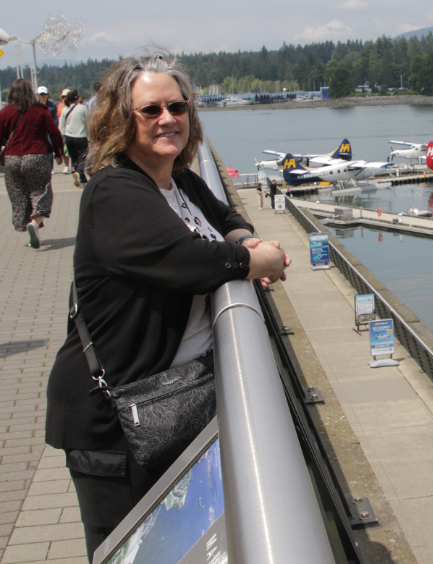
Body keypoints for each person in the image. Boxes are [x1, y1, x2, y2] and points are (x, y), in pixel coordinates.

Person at [44, 50, 291, 560]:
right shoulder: (115, 190)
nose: (167, 119)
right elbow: (187, 260)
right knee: (127, 551)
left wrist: (245, 239)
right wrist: (256, 261)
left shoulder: (179, 180)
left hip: (165, 400)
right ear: (119, 119)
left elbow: (224, 216)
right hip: (113, 420)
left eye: (177, 108)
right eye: (150, 110)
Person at [0, 79, 65, 249]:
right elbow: (54, 132)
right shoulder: (40, 110)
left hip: (12, 158)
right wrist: (59, 153)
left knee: (19, 195)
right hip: (37, 155)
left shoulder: (5, 111)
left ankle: (30, 233)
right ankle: (34, 225)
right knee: (40, 191)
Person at [58, 89, 89, 187]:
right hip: (80, 136)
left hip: (69, 137)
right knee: (83, 157)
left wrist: (62, 140)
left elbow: (61, 126)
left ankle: (80, 177)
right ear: (77, 98)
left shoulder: (64, 109)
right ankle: (80, 173)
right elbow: (88, 123)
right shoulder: (83, 108)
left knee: (74, 159)